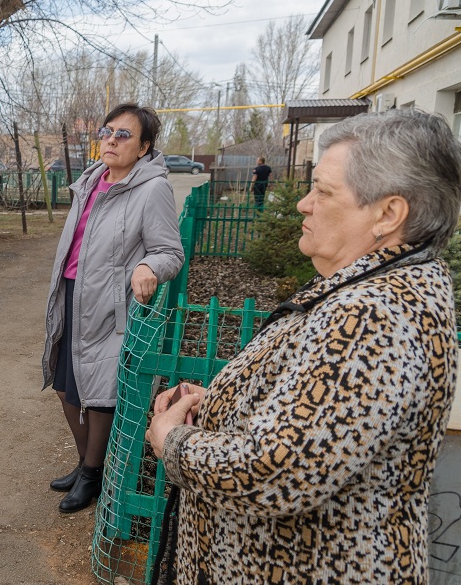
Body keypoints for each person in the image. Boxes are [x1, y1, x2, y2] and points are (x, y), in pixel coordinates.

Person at [147, 108, 461, 584]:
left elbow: (275, 472)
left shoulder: (371, 315)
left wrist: (173, 440)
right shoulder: (376, 290)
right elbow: (322, 425)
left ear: (388, 214)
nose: (303, 204)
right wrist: (218, 406)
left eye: (323, 191)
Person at [42, 102, 184, 513]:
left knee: (100, 392)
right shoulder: (91, 181)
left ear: (143, 147)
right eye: (107, 132)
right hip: (71, 293)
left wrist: (148, 266)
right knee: (65, 386)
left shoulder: (152, 189)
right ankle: (87, 464)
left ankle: (92, 473)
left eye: (124, 135)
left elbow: (170, 252)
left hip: (112, 304)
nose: (111, 140)